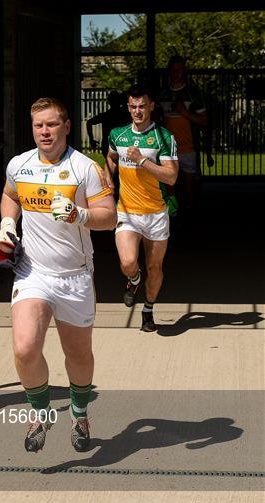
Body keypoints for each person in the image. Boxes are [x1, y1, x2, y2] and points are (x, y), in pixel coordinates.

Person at [0, 97, 116, 453]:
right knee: (25, 347)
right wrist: (6, 224)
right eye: (38, 126)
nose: (44, 132)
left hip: (74, 275)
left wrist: (80, 215)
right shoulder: (20, 164)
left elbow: (109, 216)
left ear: (66, 126)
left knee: (77, 356)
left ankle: (79, 414)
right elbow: (9, 195)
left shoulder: (85, 168)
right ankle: (40, 412)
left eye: (50, 124)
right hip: (32, 271)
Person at [104, 84, 178, 332]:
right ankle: (133, 281)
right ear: (128, 107)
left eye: (142, 106)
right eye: (133, 106)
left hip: (157, 214)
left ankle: (148, 309)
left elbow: (171, 177)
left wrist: (142, 161)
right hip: (127, 212)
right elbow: (111, 157)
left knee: (155, 268)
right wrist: (108, 178)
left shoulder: (163, 137)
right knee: (128, 262)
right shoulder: (118, 134)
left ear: (151, 106)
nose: (138, 111)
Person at [158, 55, 208, 212]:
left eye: (179, 70)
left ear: (184, 71)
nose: (176, 73)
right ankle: (172, 217)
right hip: (167, 149)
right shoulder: (162, 94)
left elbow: (204, 120)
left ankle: (190, 217)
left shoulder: (193, 93)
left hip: (188, 149)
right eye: (173, 70)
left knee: (189, 189)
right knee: (169, 189)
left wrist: (184, 112)